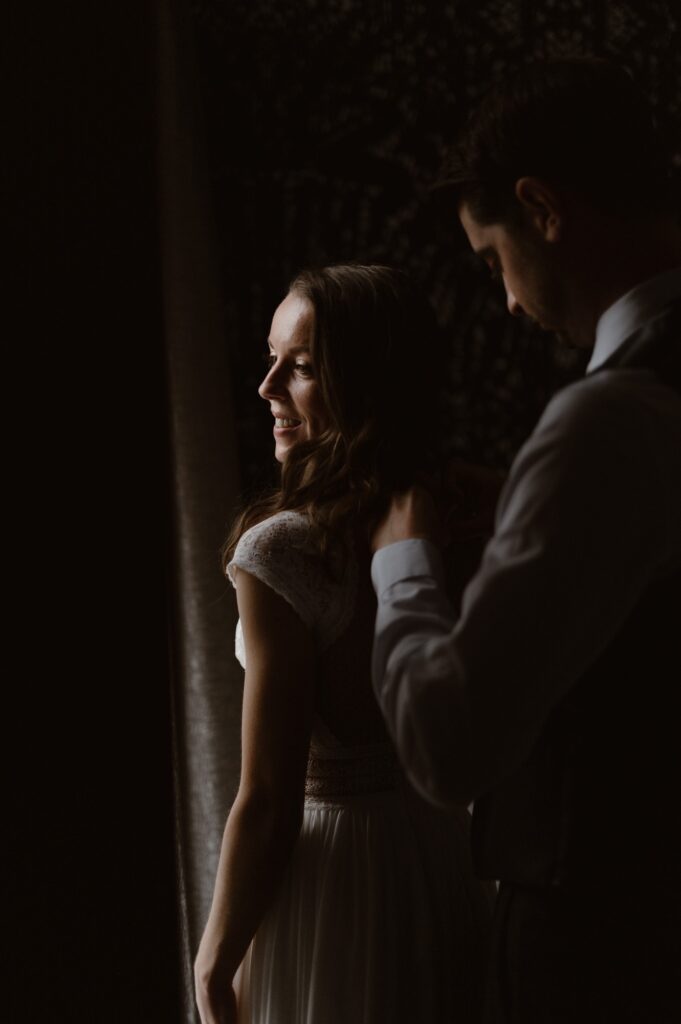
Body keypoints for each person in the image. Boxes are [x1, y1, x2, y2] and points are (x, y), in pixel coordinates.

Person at [370, 58, 681, 1022]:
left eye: (492, 260)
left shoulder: (608, 419)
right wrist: (529, 505)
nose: (504, 301)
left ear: (542, 205)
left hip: (602, 944)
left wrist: (403, 562)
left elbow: (449, 742)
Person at [194, 264, 494, 1024]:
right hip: (438, 862)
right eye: (271, 359)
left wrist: (213, 961)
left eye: (297, 369)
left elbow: (268, 799)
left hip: (333, 885)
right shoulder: (458, 523)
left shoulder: (284, 552)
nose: (264, 387)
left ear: (364, 387)